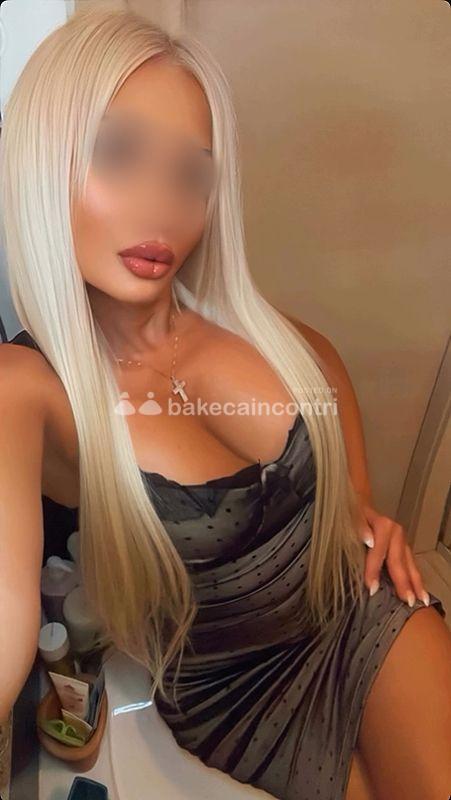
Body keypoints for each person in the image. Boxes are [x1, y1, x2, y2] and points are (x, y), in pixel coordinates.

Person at [0, 8, 449, 800]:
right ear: (40, 159)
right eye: (117, 152)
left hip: (359, 611)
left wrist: (354, 500)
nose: (161, 204)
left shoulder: (231, 319)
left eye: (190, 175)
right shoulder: (27, 387)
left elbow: (319, 364)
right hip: (234, 696)